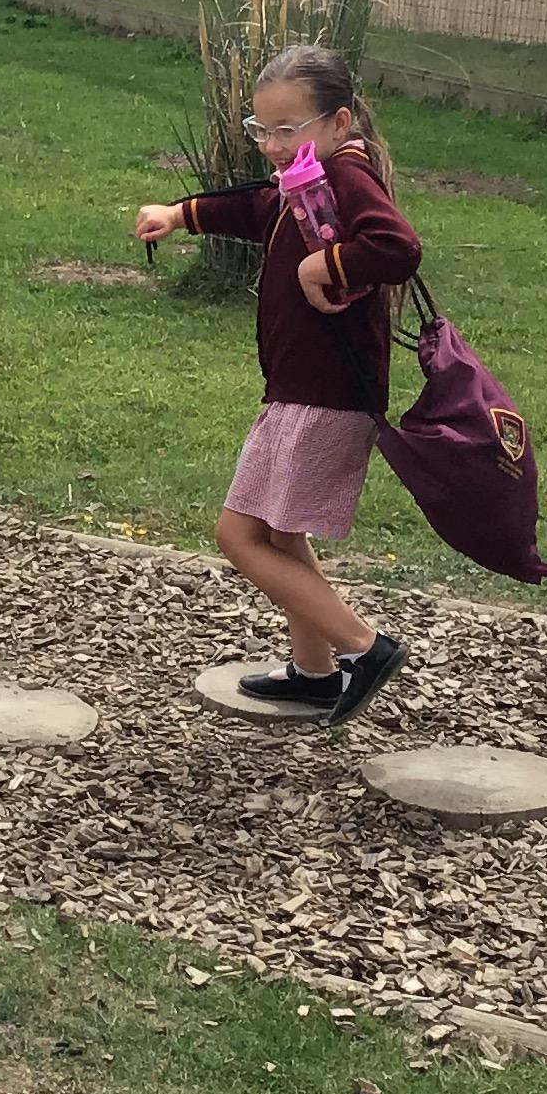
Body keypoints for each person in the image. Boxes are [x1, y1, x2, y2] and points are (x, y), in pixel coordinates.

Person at [136, 43, 422, 725]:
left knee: (239, 536)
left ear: (339, 122)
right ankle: (315, 673)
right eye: (260, 129)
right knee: (284, 534)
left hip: (326, 395)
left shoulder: (346, 174)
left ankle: (365, 647)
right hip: (303, 392)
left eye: (286, 129)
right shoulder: (307, 178)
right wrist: (180, 215)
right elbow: (261, 210)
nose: (270, 144)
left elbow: (397, 247)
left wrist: (321, 267)